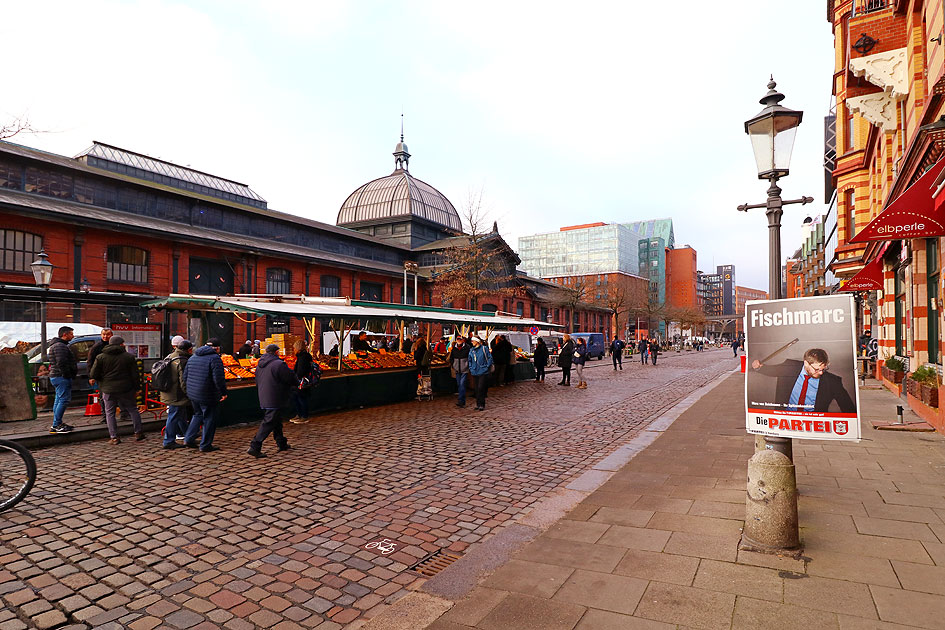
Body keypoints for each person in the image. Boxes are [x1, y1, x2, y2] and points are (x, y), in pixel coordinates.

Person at [751, 348, 856, 413]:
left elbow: (848, 407)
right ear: (806, 363)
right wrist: (759, 367)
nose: (821, 373)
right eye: (816, 369)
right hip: (786, 419)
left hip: (813, 424)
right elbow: (772, 370)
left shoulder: (833, 381)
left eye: (823, 369)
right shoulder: (790, 366)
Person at [89, 336, 145, 444]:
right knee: (133, 409)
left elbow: (93, 374)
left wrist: (103, 380)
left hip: (108, 389)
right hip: (126, 388)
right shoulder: (128, 357)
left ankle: (114, 437)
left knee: (110, 412)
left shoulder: (101, 357)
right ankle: (138, 432)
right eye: (123, 343)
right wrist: (137, 388)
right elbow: (135, 375)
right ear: (120, 344)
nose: (124, 345)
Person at [249, 344, 298, 458]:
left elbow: (257, 379)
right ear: (276, 352)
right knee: (269, 421)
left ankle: (281, 443)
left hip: (264, 394)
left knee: (276, 419)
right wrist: (296, 382)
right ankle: (255, 446)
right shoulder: (279, 364)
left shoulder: (260, 364)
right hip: (276, 395)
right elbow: (290, 377)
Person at [182, 338, 227, 452]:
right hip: (207, 394)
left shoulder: (193, 357)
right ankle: (205, 445)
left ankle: (188, 438)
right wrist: (223, 392)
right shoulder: (215, 358)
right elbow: (218, 378)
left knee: (197, 415)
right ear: (217, 348)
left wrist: (189, 390)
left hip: (193, 393)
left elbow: (185, 376)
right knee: (209, 418)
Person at [160, 339, 193, 449]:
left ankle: (188, 435)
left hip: (168, 391)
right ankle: (168, 440)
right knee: (174, 415)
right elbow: (183, 381)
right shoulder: (182, 360)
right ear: (189, 350)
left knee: (180, 414)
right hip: (176, 393)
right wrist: (189, 394)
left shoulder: (170, 356)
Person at [48, 325, 77, 434]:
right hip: (61, 376)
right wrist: (67, 374)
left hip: (57, 376)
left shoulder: (56, 345)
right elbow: (62, 362)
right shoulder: (60, 346)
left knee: (58, 399)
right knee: (64, 400)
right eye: (71, 334)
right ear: (65, 334)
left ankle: (57, 423)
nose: (72, 336)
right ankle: (56, 424)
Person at [88, 327, 115, 425]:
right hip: (101, 376)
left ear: (111, 335)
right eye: (104, 334)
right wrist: (91, 376)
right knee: (103, 397)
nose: (105, 336)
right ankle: (105, 416)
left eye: (107, 334)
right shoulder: (97, 347)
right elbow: (90, 362)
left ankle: (122, 414)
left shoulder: (115, 345)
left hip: (113, 375)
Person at [290, 339, 314, 425]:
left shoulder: (302, 357)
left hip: (302, 382)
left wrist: (295, 376)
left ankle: (304, 416)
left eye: (294, 348)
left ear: (298, 348)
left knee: (301, 399)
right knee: (298, 398)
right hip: (302, 381)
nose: (294, 350)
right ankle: (300, 415)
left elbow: (301, 371)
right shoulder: (304, 356)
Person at [468, 336, 494, 411]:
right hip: (475, 371)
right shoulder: (471, 350)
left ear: (477, 341)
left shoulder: (484, 349)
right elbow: (469, 360)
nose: (472, 342)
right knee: (476, 389)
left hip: (483, 371)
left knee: (480, 387)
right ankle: (478, 404)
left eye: (473, 340)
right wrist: (471, 368)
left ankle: (482, 404)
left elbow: (490, 358)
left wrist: (486, 366)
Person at [449, 335, 470, 407]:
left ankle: (461, 401)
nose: (459, 340)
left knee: (462, 384)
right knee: (459, 384)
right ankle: (461, 400)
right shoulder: (454, 348)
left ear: (463, 340)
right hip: (457, 369)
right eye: (458, 339)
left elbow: (469, 357)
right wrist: (453, 365)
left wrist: (467, 365)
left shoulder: (467, 347)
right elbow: (451, 358)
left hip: (464, 369)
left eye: (460, 339)